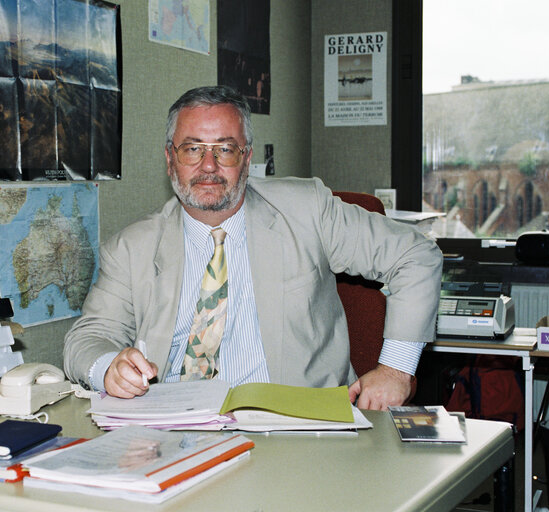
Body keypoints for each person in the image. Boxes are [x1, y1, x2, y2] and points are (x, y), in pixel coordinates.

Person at [64, 85, 442, 410]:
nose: (208, 166)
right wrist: (109, 367)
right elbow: (87, 337)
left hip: (295, 429)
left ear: (246, 158)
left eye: (225, 150)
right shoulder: (132, 248)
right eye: (192, 149)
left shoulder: (307, 210)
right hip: (175, 431)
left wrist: (396, 368)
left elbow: (416, 256)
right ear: (170, 159)